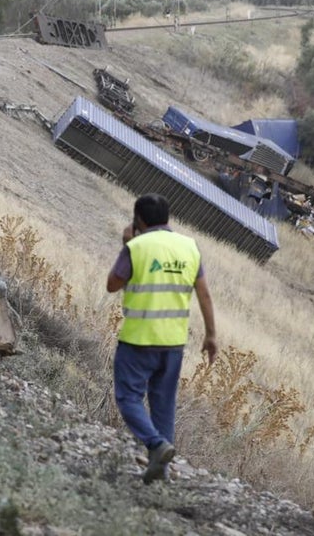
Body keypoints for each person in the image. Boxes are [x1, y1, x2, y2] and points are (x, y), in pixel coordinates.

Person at [106, 192, 218, 484]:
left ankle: (156, 445)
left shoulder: (137, 246)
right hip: (173, 343)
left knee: (128, 397)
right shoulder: (189, 247)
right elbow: (204, 294)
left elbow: (112, 284)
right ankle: (161, 473)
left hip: (138, 340)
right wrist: (211, 335)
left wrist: (127, 244)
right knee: (164, 406)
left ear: (138, 220)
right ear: (167, 218)